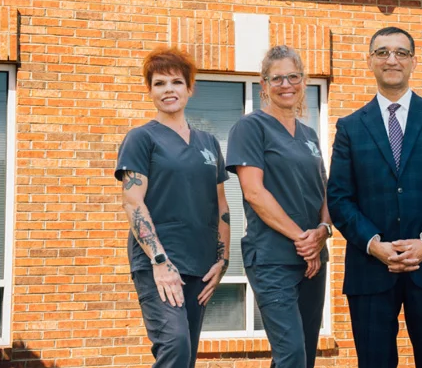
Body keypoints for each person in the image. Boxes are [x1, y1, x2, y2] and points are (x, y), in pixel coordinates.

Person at [327, 26, 422, 368]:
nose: (391, 59)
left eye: (400, 53)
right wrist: (374, 244)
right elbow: (339, 198)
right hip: (370, 267)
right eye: (382, 52)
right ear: (370, 61)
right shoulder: (350, 126)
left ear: (413, 62)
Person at [115, 46, 230, 368]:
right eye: (159, 83)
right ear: (149, 91)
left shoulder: (208, 143)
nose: (169, 90)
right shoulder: (141, 139)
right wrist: (160, 260)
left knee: (186, 355)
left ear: (189, 88)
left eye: (176, 82)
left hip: (201, 264)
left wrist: (222, 260)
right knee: (175, 345)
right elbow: (132, 201)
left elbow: (221, 205)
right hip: (159, 263)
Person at [226, 45, 330, 368]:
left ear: (303, 81)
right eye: (277, 78)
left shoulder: (311, 135)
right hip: (273, 259)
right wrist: (303, 239)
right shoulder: (250, 128)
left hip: (314, 260)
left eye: (293, 77)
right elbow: (254, 193)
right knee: (292, 355)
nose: (286, 84)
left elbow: (325, 193)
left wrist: (323, 233)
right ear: (264, 85)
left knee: (303, 357)